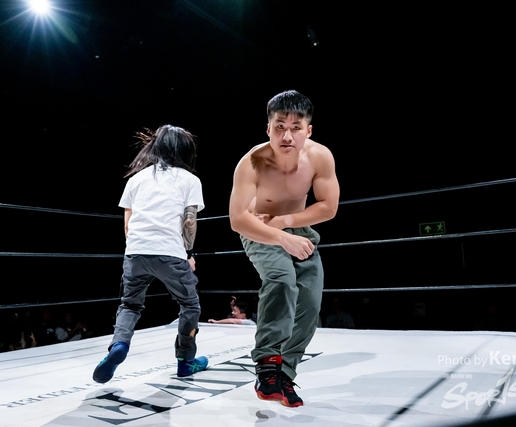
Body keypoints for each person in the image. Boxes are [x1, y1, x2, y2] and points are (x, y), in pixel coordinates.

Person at [228, 90, 340, 407]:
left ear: (308, 130)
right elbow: (237, 219)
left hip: (295, 227)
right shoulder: (251, 163)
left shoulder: (320, 157)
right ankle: (267, 366)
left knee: (310, 300)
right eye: (279, 126)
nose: (287, 136)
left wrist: (286, 222)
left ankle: (284, 374)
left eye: (295, 127)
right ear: (268, 128)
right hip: (259, 228)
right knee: (281, 278)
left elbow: (329, 206)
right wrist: (278, 234)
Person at [93, 124, 208, 384]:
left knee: (129, 304)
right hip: (170, 252)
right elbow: (189, 222)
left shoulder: (136, 179)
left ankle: (119, 345)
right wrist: (189, 253)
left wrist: (136, 251)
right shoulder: (190, 180)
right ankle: (186, 361)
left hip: (135, 251)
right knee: (190, 305)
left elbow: (128, 224)